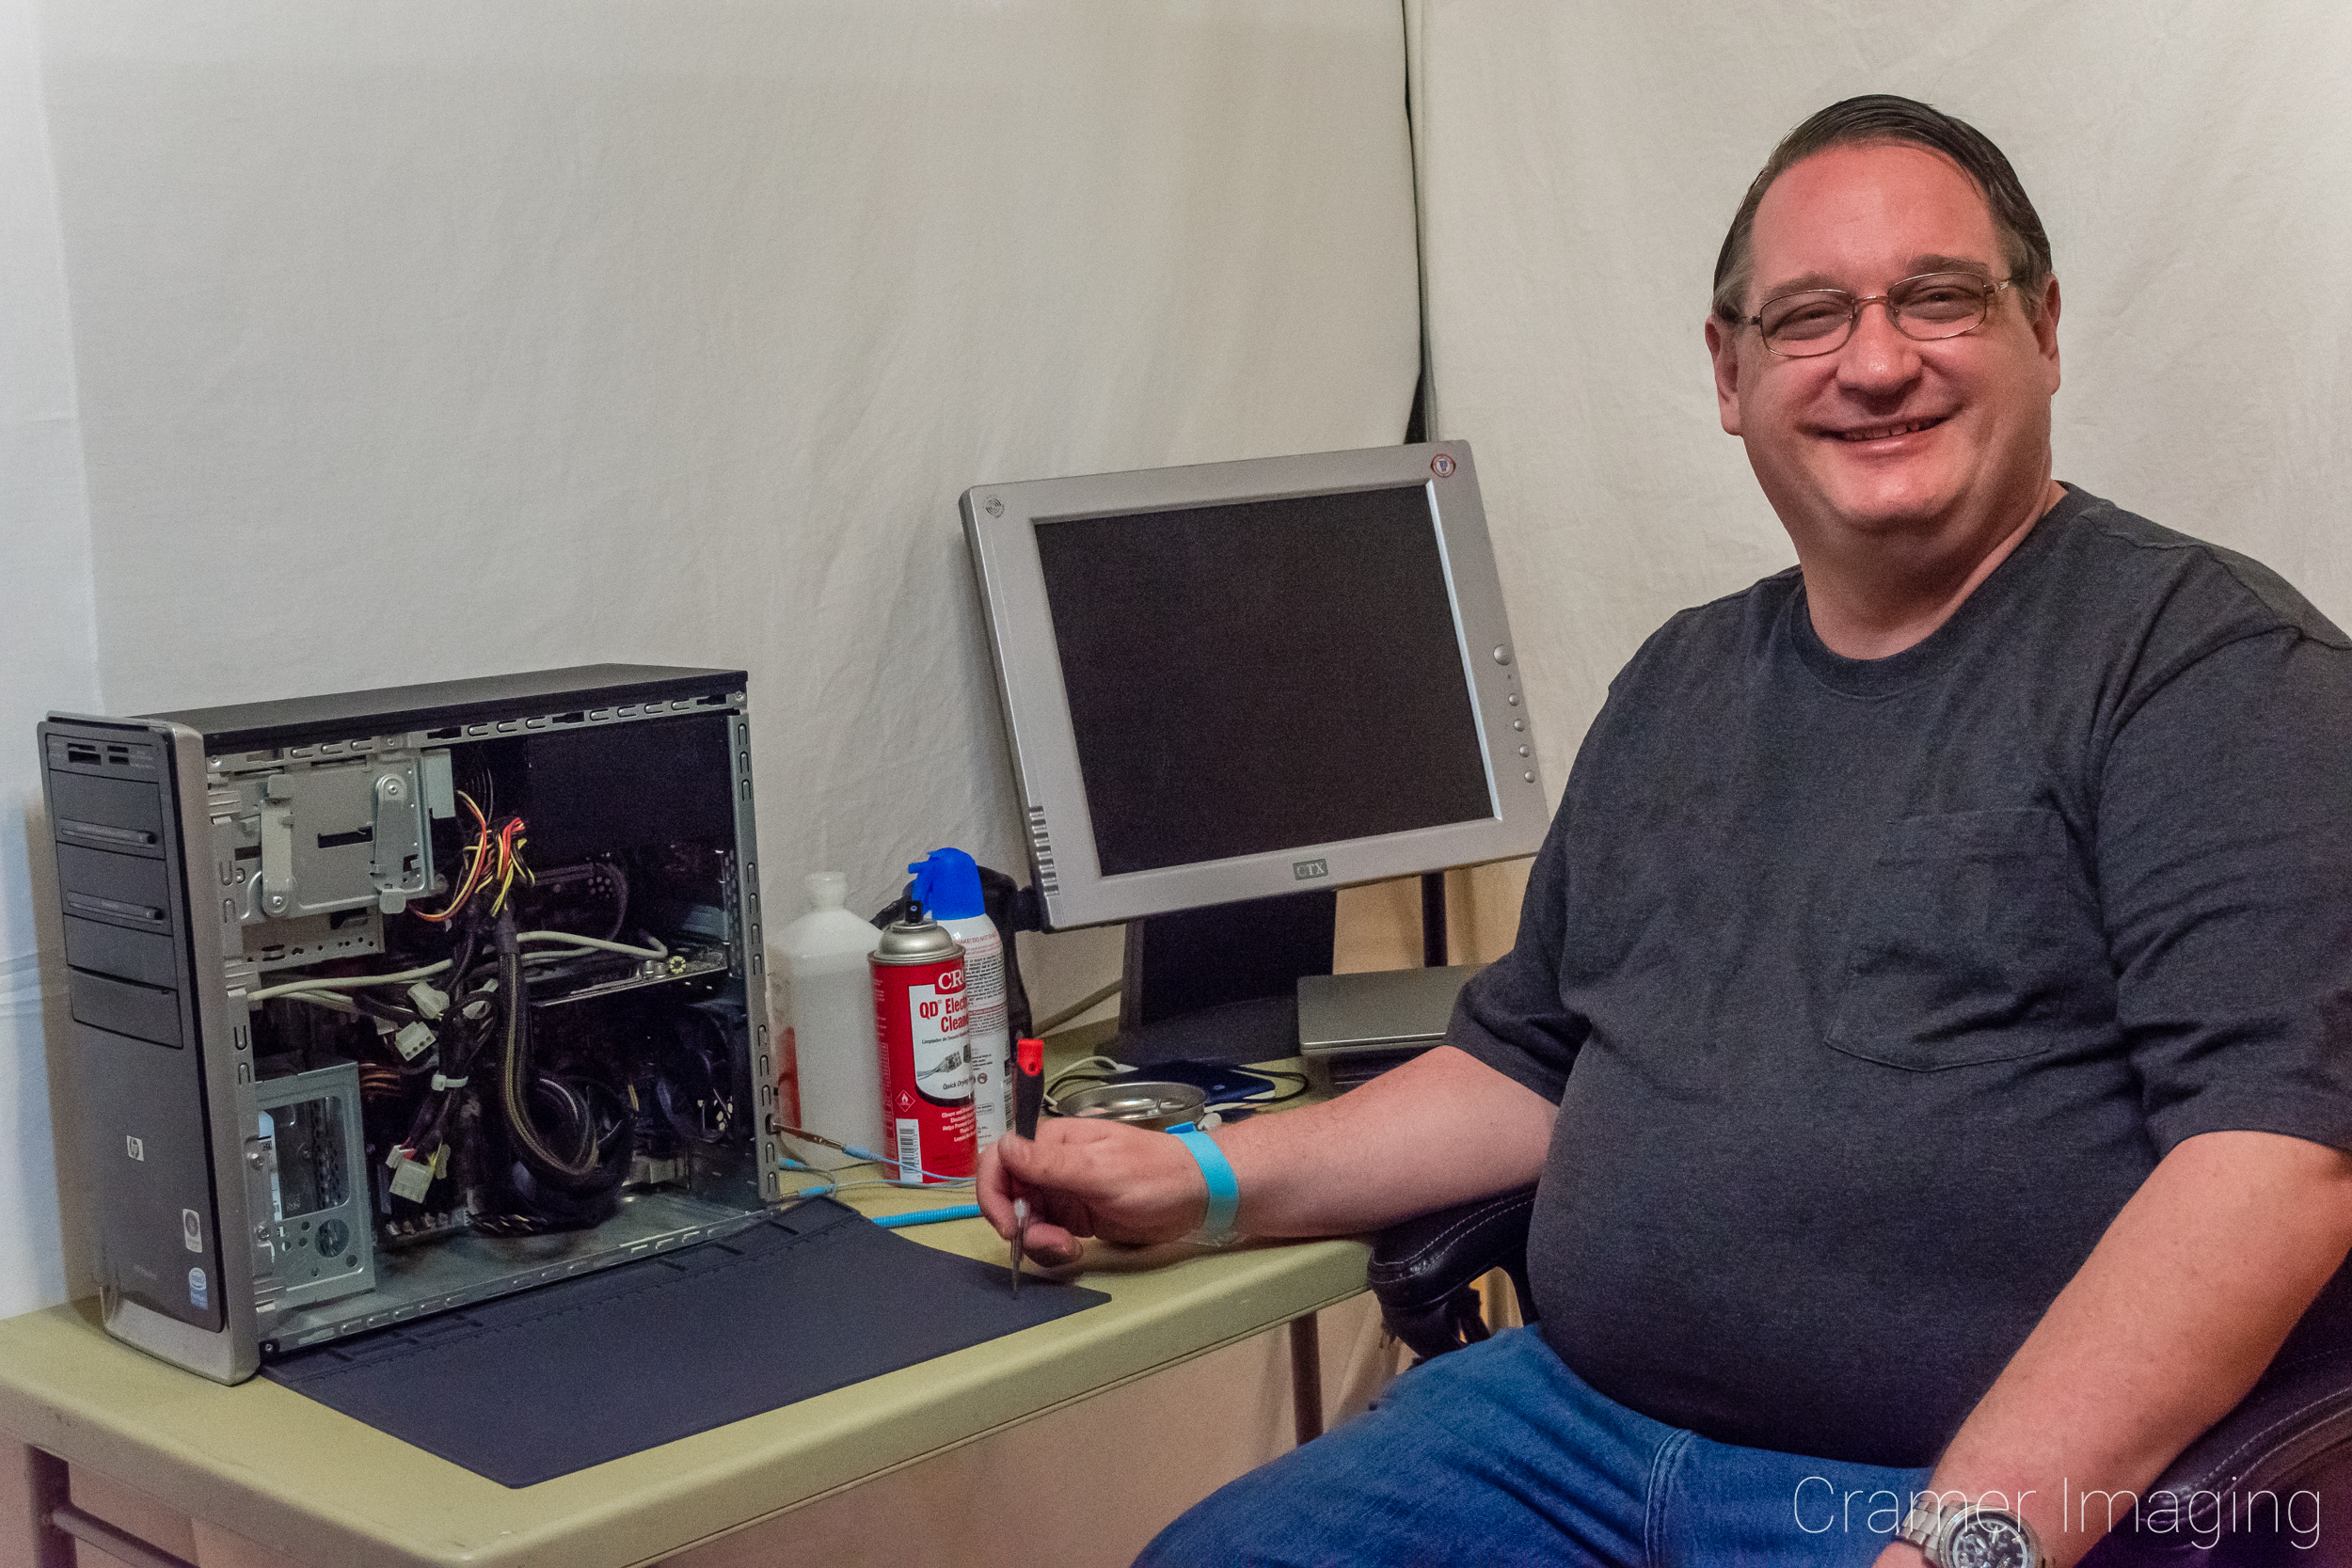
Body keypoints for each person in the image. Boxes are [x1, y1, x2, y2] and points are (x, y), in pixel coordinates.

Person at [977, 95, 2352, 1568]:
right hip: (1565, 1426)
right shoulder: (1684, 681)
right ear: (1731, 369)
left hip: (1920, 1489)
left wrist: (1965, 1547)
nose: (1877, 363)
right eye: (1810, 318)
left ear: (2045, 328)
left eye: (1938, 300)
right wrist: (1213, 1179)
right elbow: (1528, 1065)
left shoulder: (2207, 673)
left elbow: (2271, 1168)